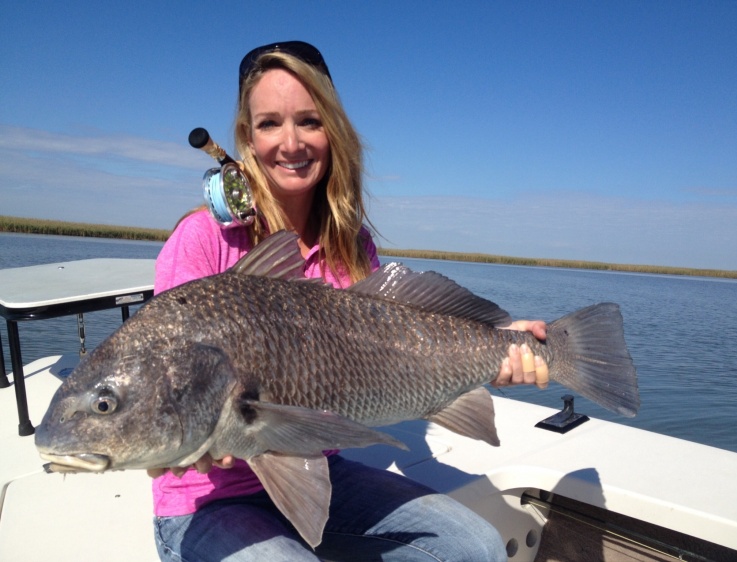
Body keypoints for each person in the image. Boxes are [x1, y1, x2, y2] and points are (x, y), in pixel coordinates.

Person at [150, 40, 548, 562]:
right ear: (248, 138)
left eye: (309, 121)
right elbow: (164, 374)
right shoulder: (202, 240)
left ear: (333, 132)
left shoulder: (353, 245)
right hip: (208, 504)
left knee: (476, 546)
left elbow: (396, 349)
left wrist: (490, 351)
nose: (290, 143)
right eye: (270, 123)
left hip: (321, 470)